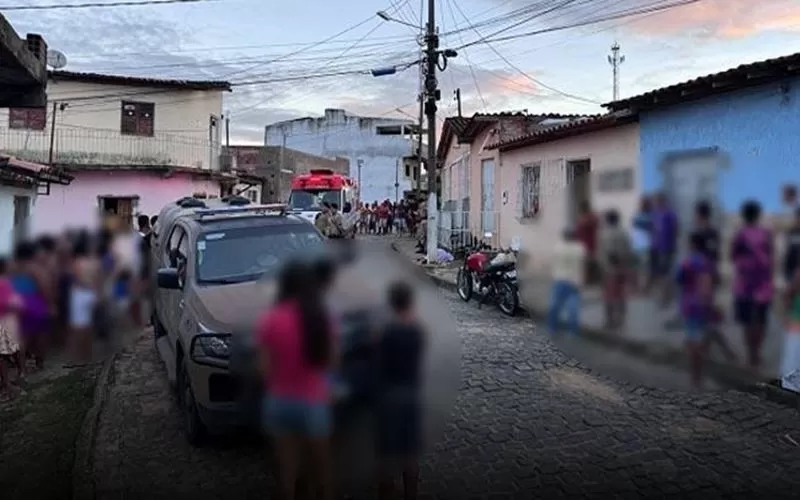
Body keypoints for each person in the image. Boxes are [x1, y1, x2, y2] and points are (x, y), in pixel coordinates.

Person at [257, 261, 336, 500]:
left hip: (280, 401)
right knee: (322, 472)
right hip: (313, 402)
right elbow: (333, 361)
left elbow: (263, 368)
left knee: (288, 472)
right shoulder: (321, 317)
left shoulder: (271, 318)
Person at [376, 281, 425, 500]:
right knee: (410, 455)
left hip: (389, 398)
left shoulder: (386, 332)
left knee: (386, 456)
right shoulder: (416, 331)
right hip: (410, 396)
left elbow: (379, 366)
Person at [691, 201, 737, 363]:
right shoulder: (712, 233)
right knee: (706, 317)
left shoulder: (701, 234)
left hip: (703, 279)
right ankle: (709, 349)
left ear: (699, 215)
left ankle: (725, 351)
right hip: (708, 277)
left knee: (707, 318)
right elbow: (715, 256)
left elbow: (706, 257)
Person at [731, 200, 774, 371]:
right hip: (763, 284)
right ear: (758, 215)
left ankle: (751, 355)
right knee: (761, 321)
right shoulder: (766, 233)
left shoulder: (740, 234)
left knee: (747, 321)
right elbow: (772, 257)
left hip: (744, 284)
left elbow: (733, 256)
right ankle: (757, 354)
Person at [676, 233, 715, 388]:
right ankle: (700, 374)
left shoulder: (686, 262)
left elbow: (678, 279)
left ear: (692, 244)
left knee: (693, 340)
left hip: (689, 304)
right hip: (703, 304)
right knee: (701, 338)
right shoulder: (707, 262)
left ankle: (695, 376)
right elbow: (709, 283)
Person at [12, 241, 52, 371]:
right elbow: (44, 287)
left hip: (19, 304)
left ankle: (22, 369)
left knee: (22, 338)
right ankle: (39, 363)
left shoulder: (13, 269)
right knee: (40, 336)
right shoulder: (34, 268)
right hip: (35, 303)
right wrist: (49, 304)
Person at [598, 210, 633, 329]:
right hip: (623, 268)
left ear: (608, 220)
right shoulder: (624, 233)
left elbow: (610, 253)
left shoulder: (606, 233)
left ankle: (610, 320)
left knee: (609, 295)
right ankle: (621, 319)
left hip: (610, 269)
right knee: (621, 294)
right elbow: (628, 250)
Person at [546, 228, 585, 336]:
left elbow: (553, 263)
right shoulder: (579, 249)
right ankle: (572, 331)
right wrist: (581, 280)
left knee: (555, 305)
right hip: (574, 281)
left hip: (560, 279)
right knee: (573, 308)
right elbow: (582, 266)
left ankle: (552, 327)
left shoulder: (558, 248)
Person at [71, 234, 101, 363]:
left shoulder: (76, 263)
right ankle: (88, 352)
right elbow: (97, 279)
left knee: (79, 326)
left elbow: (76, 279)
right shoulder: (94, 262)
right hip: (91, 292)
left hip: (80, 293)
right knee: (89, 325)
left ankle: (81, 354)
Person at [0, 257, 25, 400]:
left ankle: (7, 384)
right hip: (9, 320)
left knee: (3, 354)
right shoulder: (9, 282)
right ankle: (20, 373)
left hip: (4, 321)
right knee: (14, 348)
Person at [651, 193, 679, 306]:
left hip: (667, 246)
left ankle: (667, 296)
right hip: (657, 247)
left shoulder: (670, 214)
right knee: (659, 272)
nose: (656, 203)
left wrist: (672, 243)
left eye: (658, 201)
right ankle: (662, 295)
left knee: (666, 272)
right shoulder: (656, 214)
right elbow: (654, 229)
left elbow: (675, 229)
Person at [575, 201, 599, 285]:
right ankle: (590, 279)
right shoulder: (592, 217)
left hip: (586, 244)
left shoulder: (585, 219)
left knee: (587, 263)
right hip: (590, 243)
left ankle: (588, 279)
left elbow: (579, 231)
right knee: (589, 262)